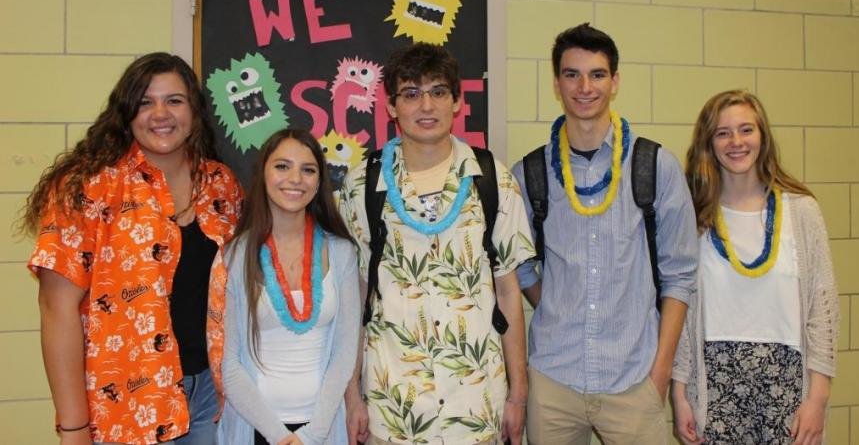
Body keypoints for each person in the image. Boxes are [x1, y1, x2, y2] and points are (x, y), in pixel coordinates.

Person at [23, 52, 244, 445]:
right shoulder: (88, 187)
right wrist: (73, 428)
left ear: (194, 110)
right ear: (126, 113)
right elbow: (56, 309)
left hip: (213, 399)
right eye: (145, 102)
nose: (160, 113)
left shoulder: (221, 186)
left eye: (174, 100)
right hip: (127, 406)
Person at [338, 43, 535, 445]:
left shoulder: (491, 178)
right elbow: (353, 296)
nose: (425, 105)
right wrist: (351, 396)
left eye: (438, 91)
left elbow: (508, 291)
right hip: (393, 409)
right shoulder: (361, 186)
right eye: (411, 94)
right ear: (391, 106)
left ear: (458, 102)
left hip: (478, 406)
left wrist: (518, 393)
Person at [512, 23, 698, 444]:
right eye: (572, 74)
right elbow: (516, 264)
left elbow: (681, 275)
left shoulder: (655, 166)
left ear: (615, 81)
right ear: (557, 82)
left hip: (635, 378)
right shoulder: (531, 174)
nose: (584, 86)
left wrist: (660, 373)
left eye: (597, 74)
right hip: (553, 380)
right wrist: (557, 303)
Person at [671, 90, 839, 445]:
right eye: (723, 133)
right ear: (709, 143)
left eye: (746, 130)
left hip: (787, 385)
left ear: (762, 137)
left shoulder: (802, 212)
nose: (736, 142)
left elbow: (823, 313)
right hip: (715, 384)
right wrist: (680, 393)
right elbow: (681, 313)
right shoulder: (694, 216)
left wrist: (818, 399)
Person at [218, 128, 360, 445]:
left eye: (308, 170)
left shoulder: (341, 253)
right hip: (254, 428)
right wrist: (280, 437)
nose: (295, 178)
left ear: (319, 181)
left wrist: (311, 435)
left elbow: (345, 352)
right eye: (282, 166)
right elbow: (229, 364)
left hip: (322, 429)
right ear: (263, 173)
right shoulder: (234, 256)